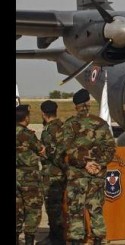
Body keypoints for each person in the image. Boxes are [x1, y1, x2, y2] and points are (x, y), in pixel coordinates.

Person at [62, 88, 116, 245]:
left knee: (76, 209)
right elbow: (110, 147)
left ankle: (77, 240)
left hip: (78, 174)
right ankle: (99, 239)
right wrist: (99, 164)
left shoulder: (70, 124)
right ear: (88, 104)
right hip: (96, 175)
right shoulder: (100, 124)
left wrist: (85, 163)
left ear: (76, 106)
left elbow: (68, 149)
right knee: (96, 208)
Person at [16, 104, 45, 245]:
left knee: (17, 209)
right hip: (29, 178)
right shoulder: (28, 134)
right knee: (32, 209)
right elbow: (41, 149)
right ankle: (28, 240)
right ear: (26, 118)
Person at [39, 100, 66, 244]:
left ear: (43, 114)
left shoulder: (48, 131)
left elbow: (53, 154)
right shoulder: (64, 127)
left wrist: (43, 154)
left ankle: (56, 238)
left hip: (53, 175)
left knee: (53, 208)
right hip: (65, 174)